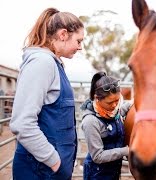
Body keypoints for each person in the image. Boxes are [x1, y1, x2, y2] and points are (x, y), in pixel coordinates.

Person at [9, 8, 84, 179]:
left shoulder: (53, 63)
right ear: (63, 34)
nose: (80, 47)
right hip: (40, 170)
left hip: (49, 170)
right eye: (78, 41)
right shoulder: (42, 63)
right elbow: (22, 123)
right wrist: (54, 161)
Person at [80, 72, 132, 180]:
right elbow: (98, 156)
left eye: (117, 101)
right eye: (110, 102)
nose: (114, 105)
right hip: (97, 174)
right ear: (97, 98)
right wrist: (126, 151)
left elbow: (121, 110)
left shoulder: (114, 112)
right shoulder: (91, 121)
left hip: (113, 171)